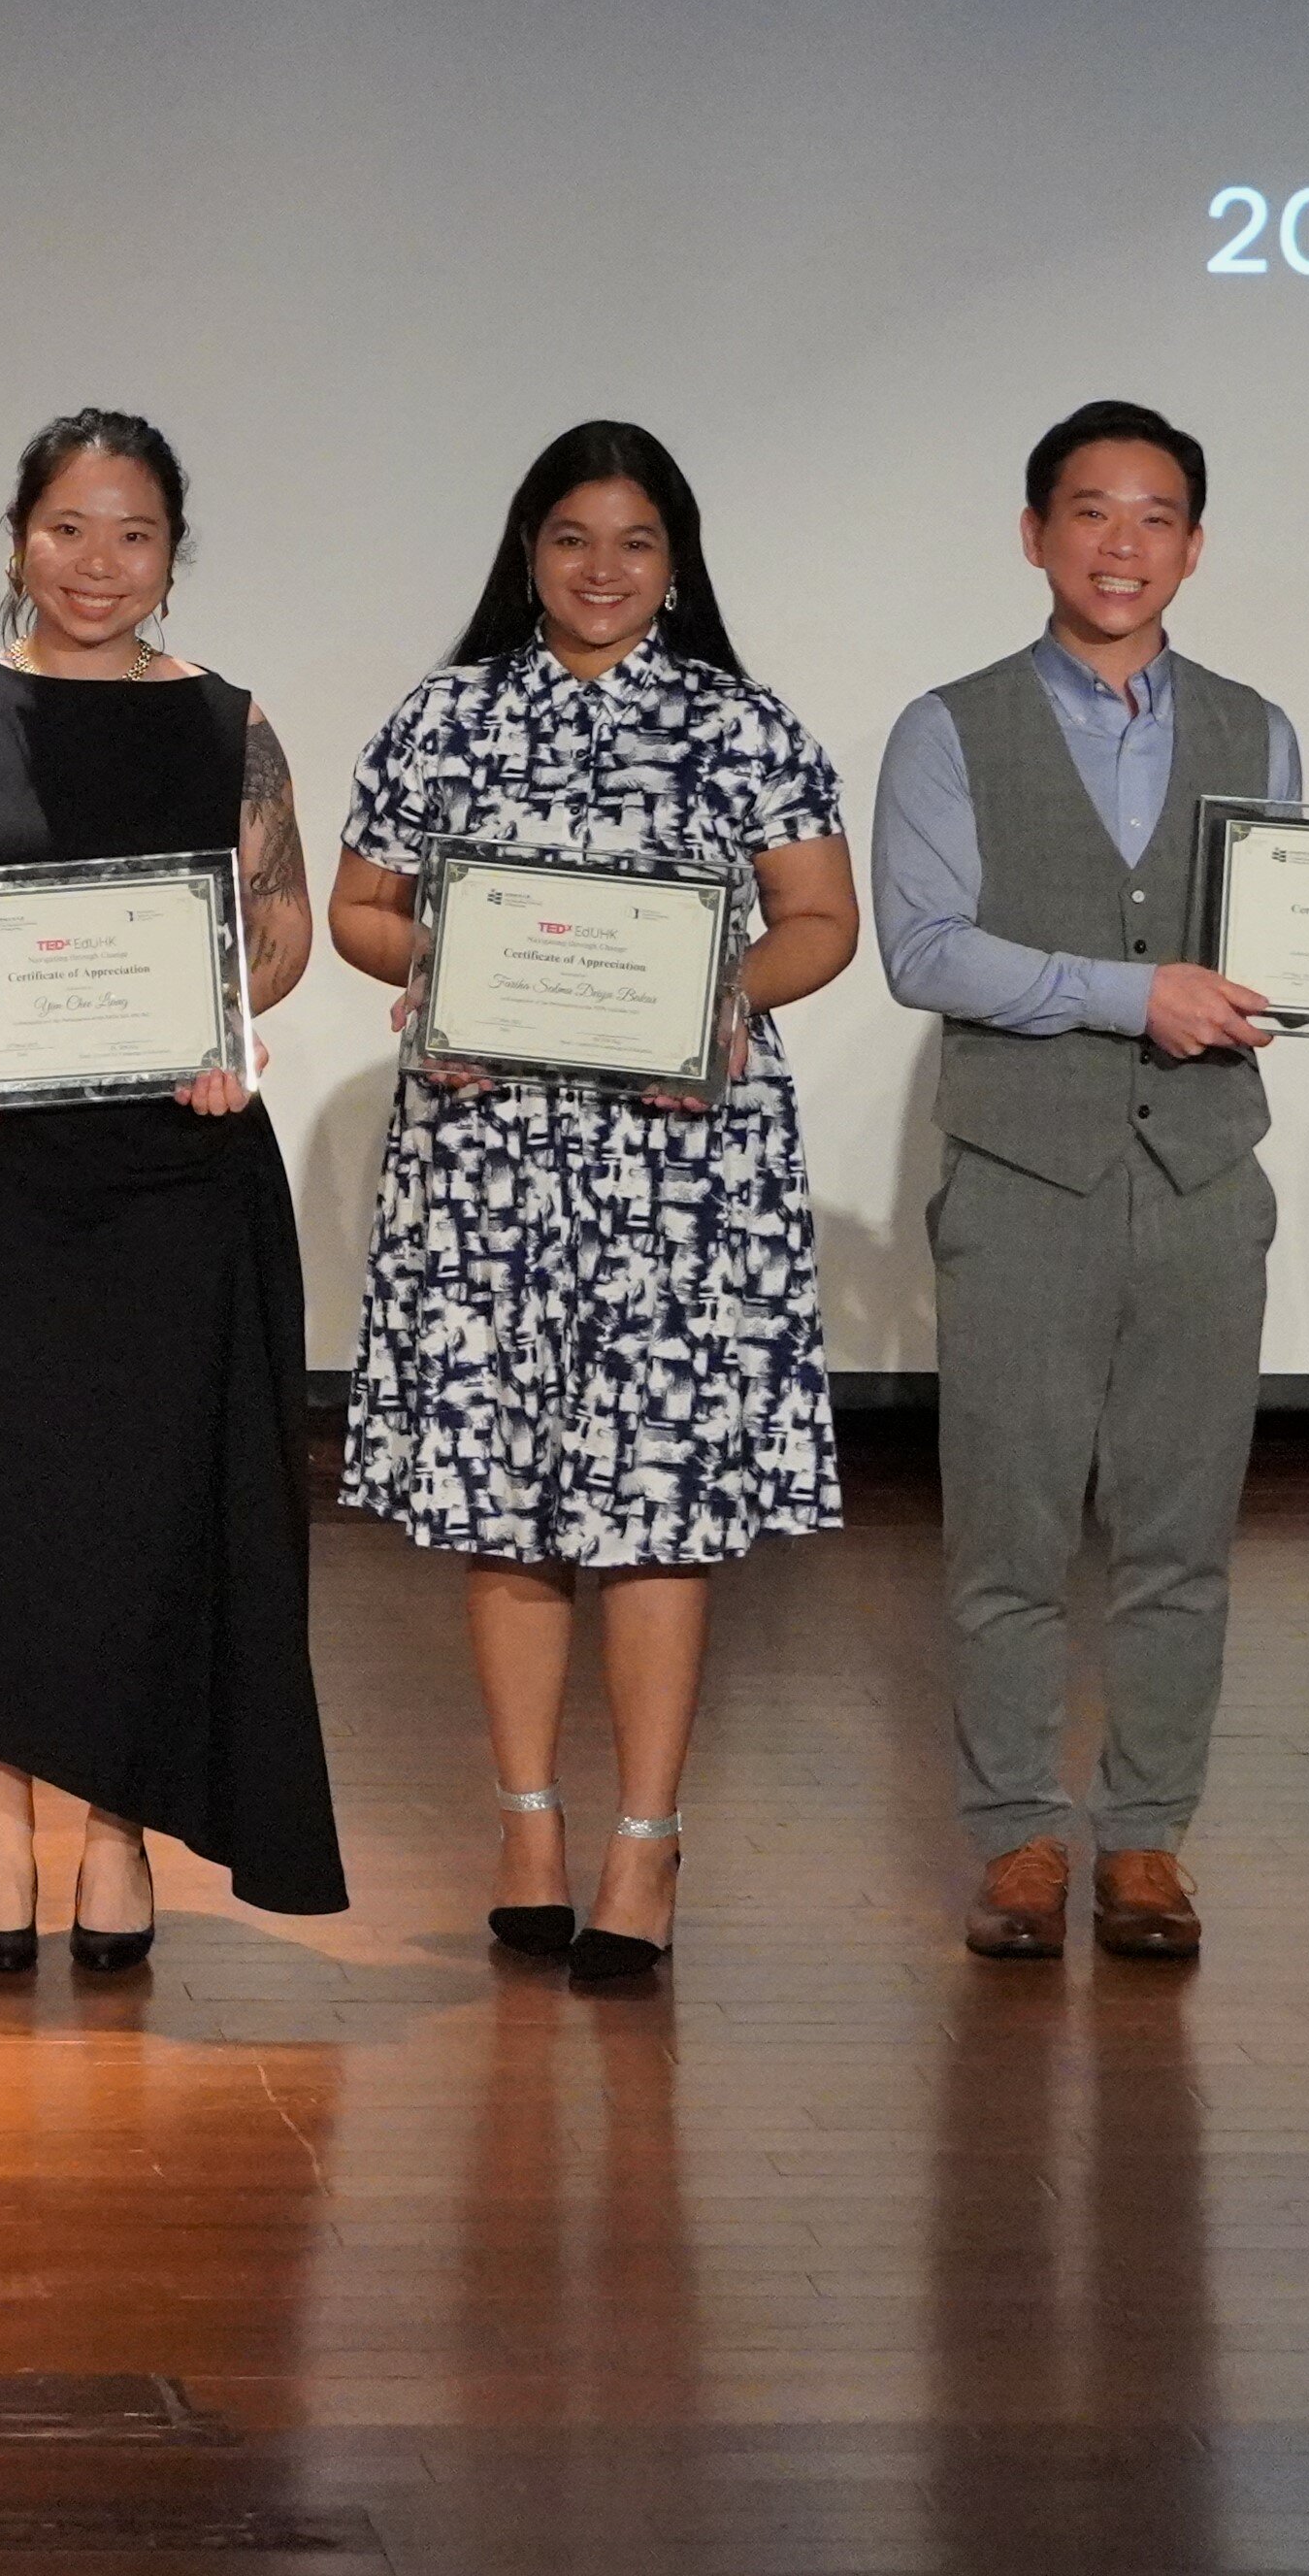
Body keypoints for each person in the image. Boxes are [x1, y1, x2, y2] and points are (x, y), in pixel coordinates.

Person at [0, 410, 342, 1970]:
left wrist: (238, 1021)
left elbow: (280, 922)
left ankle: (120, 1832)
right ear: (17, 534)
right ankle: (3, 1833)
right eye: (69, 530)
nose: (100, 567)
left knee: (155, 1511)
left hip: (180, 1166)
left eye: (136, 535)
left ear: (174, 550)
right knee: (1, 1509)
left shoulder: (232, 724)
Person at [325, 419, 861, 1993]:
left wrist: (717, 1003)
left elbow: (818, 921)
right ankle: (528, 1825)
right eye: (571, 539)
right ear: (528, 551)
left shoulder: (739, 723)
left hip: (681, 1170)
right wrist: (438, 976)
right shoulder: (448, 712)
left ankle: (647, 1840)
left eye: (634, 543)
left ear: (676, 561)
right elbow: (362, 904)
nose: (603, 571)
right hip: (487, 1160)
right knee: (506, 1504)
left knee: (656, 1511)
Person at [872, 399, 1307, 1968]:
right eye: (1091, 512)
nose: (1123, 546)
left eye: (1157, 517)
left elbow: (1286, 947)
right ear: (1036, 531)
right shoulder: (948, 725)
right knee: (1010, 1530)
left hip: (1201, 1176)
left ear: (1194, 545)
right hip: (1021, 1174)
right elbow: (926, 950)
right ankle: (1013, 1841)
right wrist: (1130, 996)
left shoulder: (1257, 727)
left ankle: (1144, 1842)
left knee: (1184, 1534)